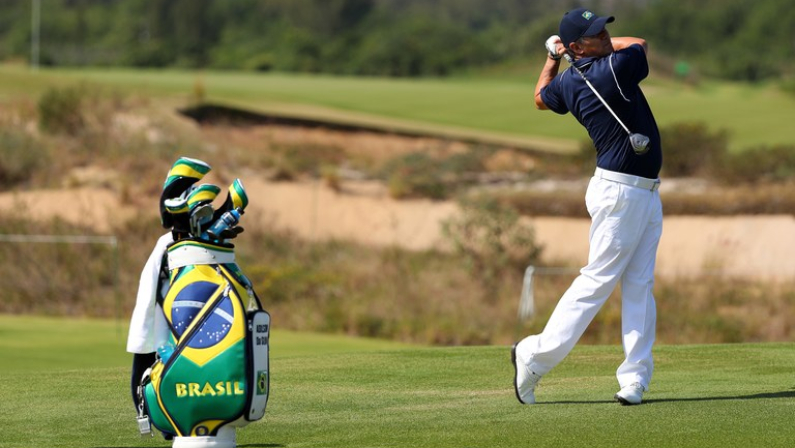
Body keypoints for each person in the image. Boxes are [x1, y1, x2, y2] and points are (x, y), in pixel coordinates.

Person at [512, 8, 663, 406]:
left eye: (604, 28)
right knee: (597, 281)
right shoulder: (613, 69)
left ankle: (634, 379)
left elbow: (540, 99)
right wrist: (572, 50)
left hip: (641, 191)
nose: (607, 36)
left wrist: (552, 56)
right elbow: (640, 44)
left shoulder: (568, 81)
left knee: (639, 286)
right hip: (621, 193)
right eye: (596, 33)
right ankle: (534, 355)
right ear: (579, 45)